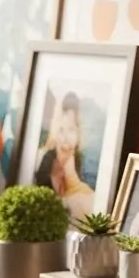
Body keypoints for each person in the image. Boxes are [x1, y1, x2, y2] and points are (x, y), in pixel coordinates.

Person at [34, 91, 95, 223]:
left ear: (79, 134)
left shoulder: (83, 167)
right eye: (61, 130)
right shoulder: (46, 160)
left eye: (71, 130)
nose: (65, 138)